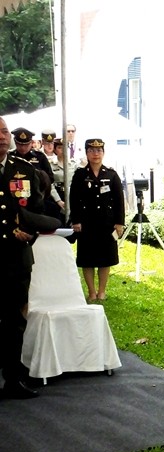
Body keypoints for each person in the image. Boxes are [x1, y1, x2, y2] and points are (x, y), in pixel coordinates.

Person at [0, 116, 46, 399]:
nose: (2, 136)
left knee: (15, 318)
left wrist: (30, 231)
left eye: (4, 131)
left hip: (17, 258)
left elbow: (36, 207)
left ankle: (14, 379)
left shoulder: (23, 170)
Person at [69, 139, 126, 302]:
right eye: (92, 150)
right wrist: (76, 220)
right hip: (86, 222)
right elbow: (74, 199)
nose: (96, 154)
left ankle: (102, 291)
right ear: (86, 153)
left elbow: (118, 200)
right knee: (87, 258)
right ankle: (91, 291)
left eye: (99, 150)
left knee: (104, 258)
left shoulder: (111, 174)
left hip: (106, 223)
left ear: (103, 153)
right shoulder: (80, 174)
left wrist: (119, 222)